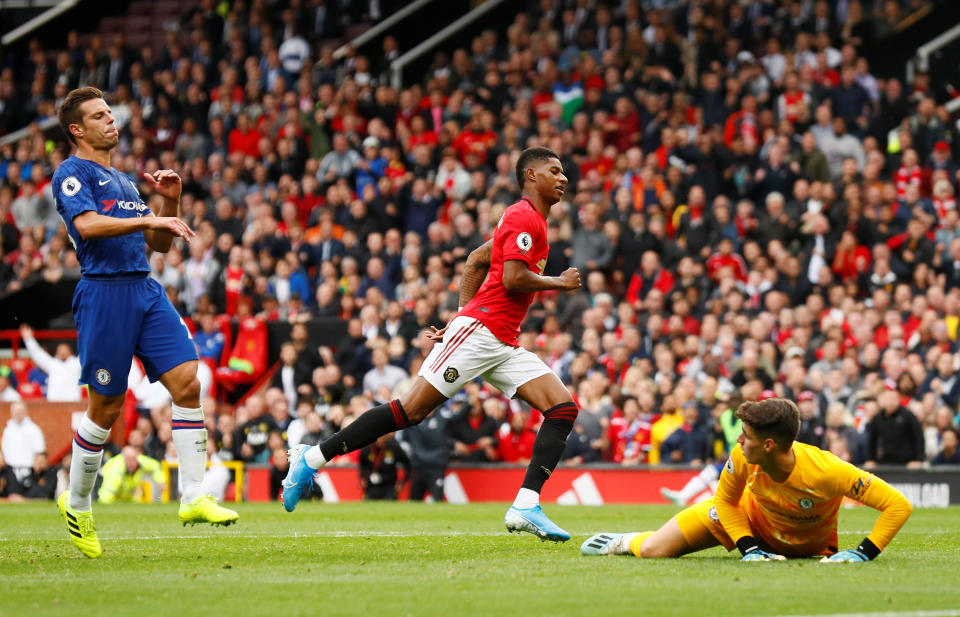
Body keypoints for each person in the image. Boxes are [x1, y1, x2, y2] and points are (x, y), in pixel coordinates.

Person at [283, 147, 582, 542]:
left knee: (562, 408)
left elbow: (477, 260)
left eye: (564, 172)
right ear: (531, 175)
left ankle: (526, 505)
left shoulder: (533, 222)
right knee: (411, 411)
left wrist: (460, 312)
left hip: (500, 339)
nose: (563, 178)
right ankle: (312, 456)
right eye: (554, 170)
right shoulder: (522, 215)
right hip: (481, 333)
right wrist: (558, 282)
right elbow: (511, 279)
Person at [51, 87, 237, 559]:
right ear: (78, 129)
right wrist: (147, 219)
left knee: (188, 382)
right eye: (99, 116)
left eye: (110, 113)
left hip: (145, 289)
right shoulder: (72, 173)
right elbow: (88, 226)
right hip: (105, 294)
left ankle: (193, 496)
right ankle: (76, 503)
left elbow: (161, 244)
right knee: (106, 410)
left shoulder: (127, 182)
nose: (111, 121)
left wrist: (168, 202)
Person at [581, 398, 912, 562]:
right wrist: (749, 547)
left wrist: (863, 553)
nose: (738, 441)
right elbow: (725, 501)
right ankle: (624, 541)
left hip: (804, 546)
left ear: (769, 445)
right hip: (746, 523)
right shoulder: (742, 456)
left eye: (746, 435)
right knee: (653, 549)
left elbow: (898, 505)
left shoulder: (829, 470)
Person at [19, 324, 83, 401]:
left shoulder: (76, 364)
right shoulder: (52, 364)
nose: (62, 352)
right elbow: (37, 354)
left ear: (70, 352)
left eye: (65, 349)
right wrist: (28, 339)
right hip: (54, 403)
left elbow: (87, 352)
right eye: (60, 350)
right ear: (56, 353)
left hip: (73, 403)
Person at [97, 446, 166, 504]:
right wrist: (105, 504)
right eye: (129, 460)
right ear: (124, 459)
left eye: (134, 459)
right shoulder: (116, 470)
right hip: (115, 496)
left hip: (130, 495)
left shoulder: (140, 461)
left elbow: (154, 466)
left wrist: (161, 481)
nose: (132, 462)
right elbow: (108, 492)